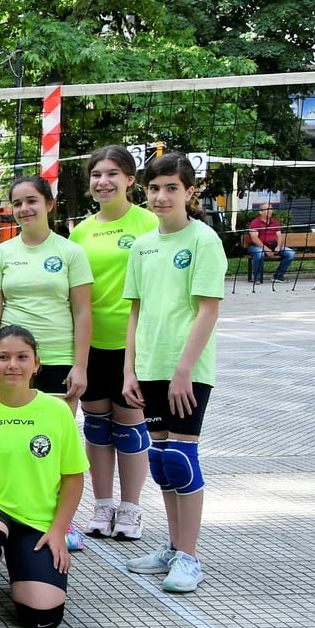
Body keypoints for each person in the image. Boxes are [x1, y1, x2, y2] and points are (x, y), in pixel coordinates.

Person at [121, 153, 226, 594]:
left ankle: (190, 557)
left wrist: (184, 370)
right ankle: (172, 546)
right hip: (149, 366)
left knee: (182, 460)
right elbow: (135, 311)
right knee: (162, 462)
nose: (161, 197)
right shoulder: (142, 246)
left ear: (189, 192)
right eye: (154, 189)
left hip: (187, 369)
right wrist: (129, 369)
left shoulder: (203, 240)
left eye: (171, 188)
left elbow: (208, 310)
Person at [0, 326, 87, 627]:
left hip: (36, 521)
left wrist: (58, 531)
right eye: (3, 357)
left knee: (41, 617)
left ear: (36, 363)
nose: (13, 365)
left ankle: (19, 560)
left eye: (22, 357)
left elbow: (73, 477)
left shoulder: (57, 410)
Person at [69, 145, 160, 540]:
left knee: (129, 425)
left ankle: (131, 509)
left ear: (130, 180)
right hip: (91, 343)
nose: (103, 182)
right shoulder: (81, 232)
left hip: (133, 345)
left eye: (111, 174)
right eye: (96, 175)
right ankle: (102, 505)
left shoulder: (148, 223)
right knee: (96, 426)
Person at [0, 175, 92, 406]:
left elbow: (82, 312)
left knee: (56, 428)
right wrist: (0, 357)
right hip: (14, 361)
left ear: (49, 204)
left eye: (32, 201)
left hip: (59, 356)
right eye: (17, 203)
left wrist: (80, 366)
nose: (24, 208)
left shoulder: (71, 252)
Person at [245, 201, 296, 286]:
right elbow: (254, 239)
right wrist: (266, 250)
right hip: (257, 246)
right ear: (260, 212)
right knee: (259, 253)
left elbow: (279, 236)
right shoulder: (255, 223)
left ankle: (278, 276)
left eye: (271, 209)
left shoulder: (275, 222)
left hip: (273, 245)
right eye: (267, 209)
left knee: (290, 253)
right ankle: (257, 278)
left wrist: (278, 247)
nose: (270, 211)